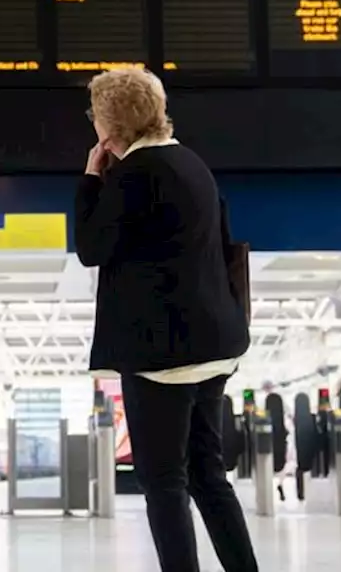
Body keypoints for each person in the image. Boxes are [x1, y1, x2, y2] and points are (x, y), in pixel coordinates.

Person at [74, 68, 257, 572]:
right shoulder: (192, 163)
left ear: (109, 127)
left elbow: (91, 248)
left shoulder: (134, 174)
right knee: (207, 474)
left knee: (164, 482)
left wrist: (92, 178)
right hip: (215, 345)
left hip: (161, 354)